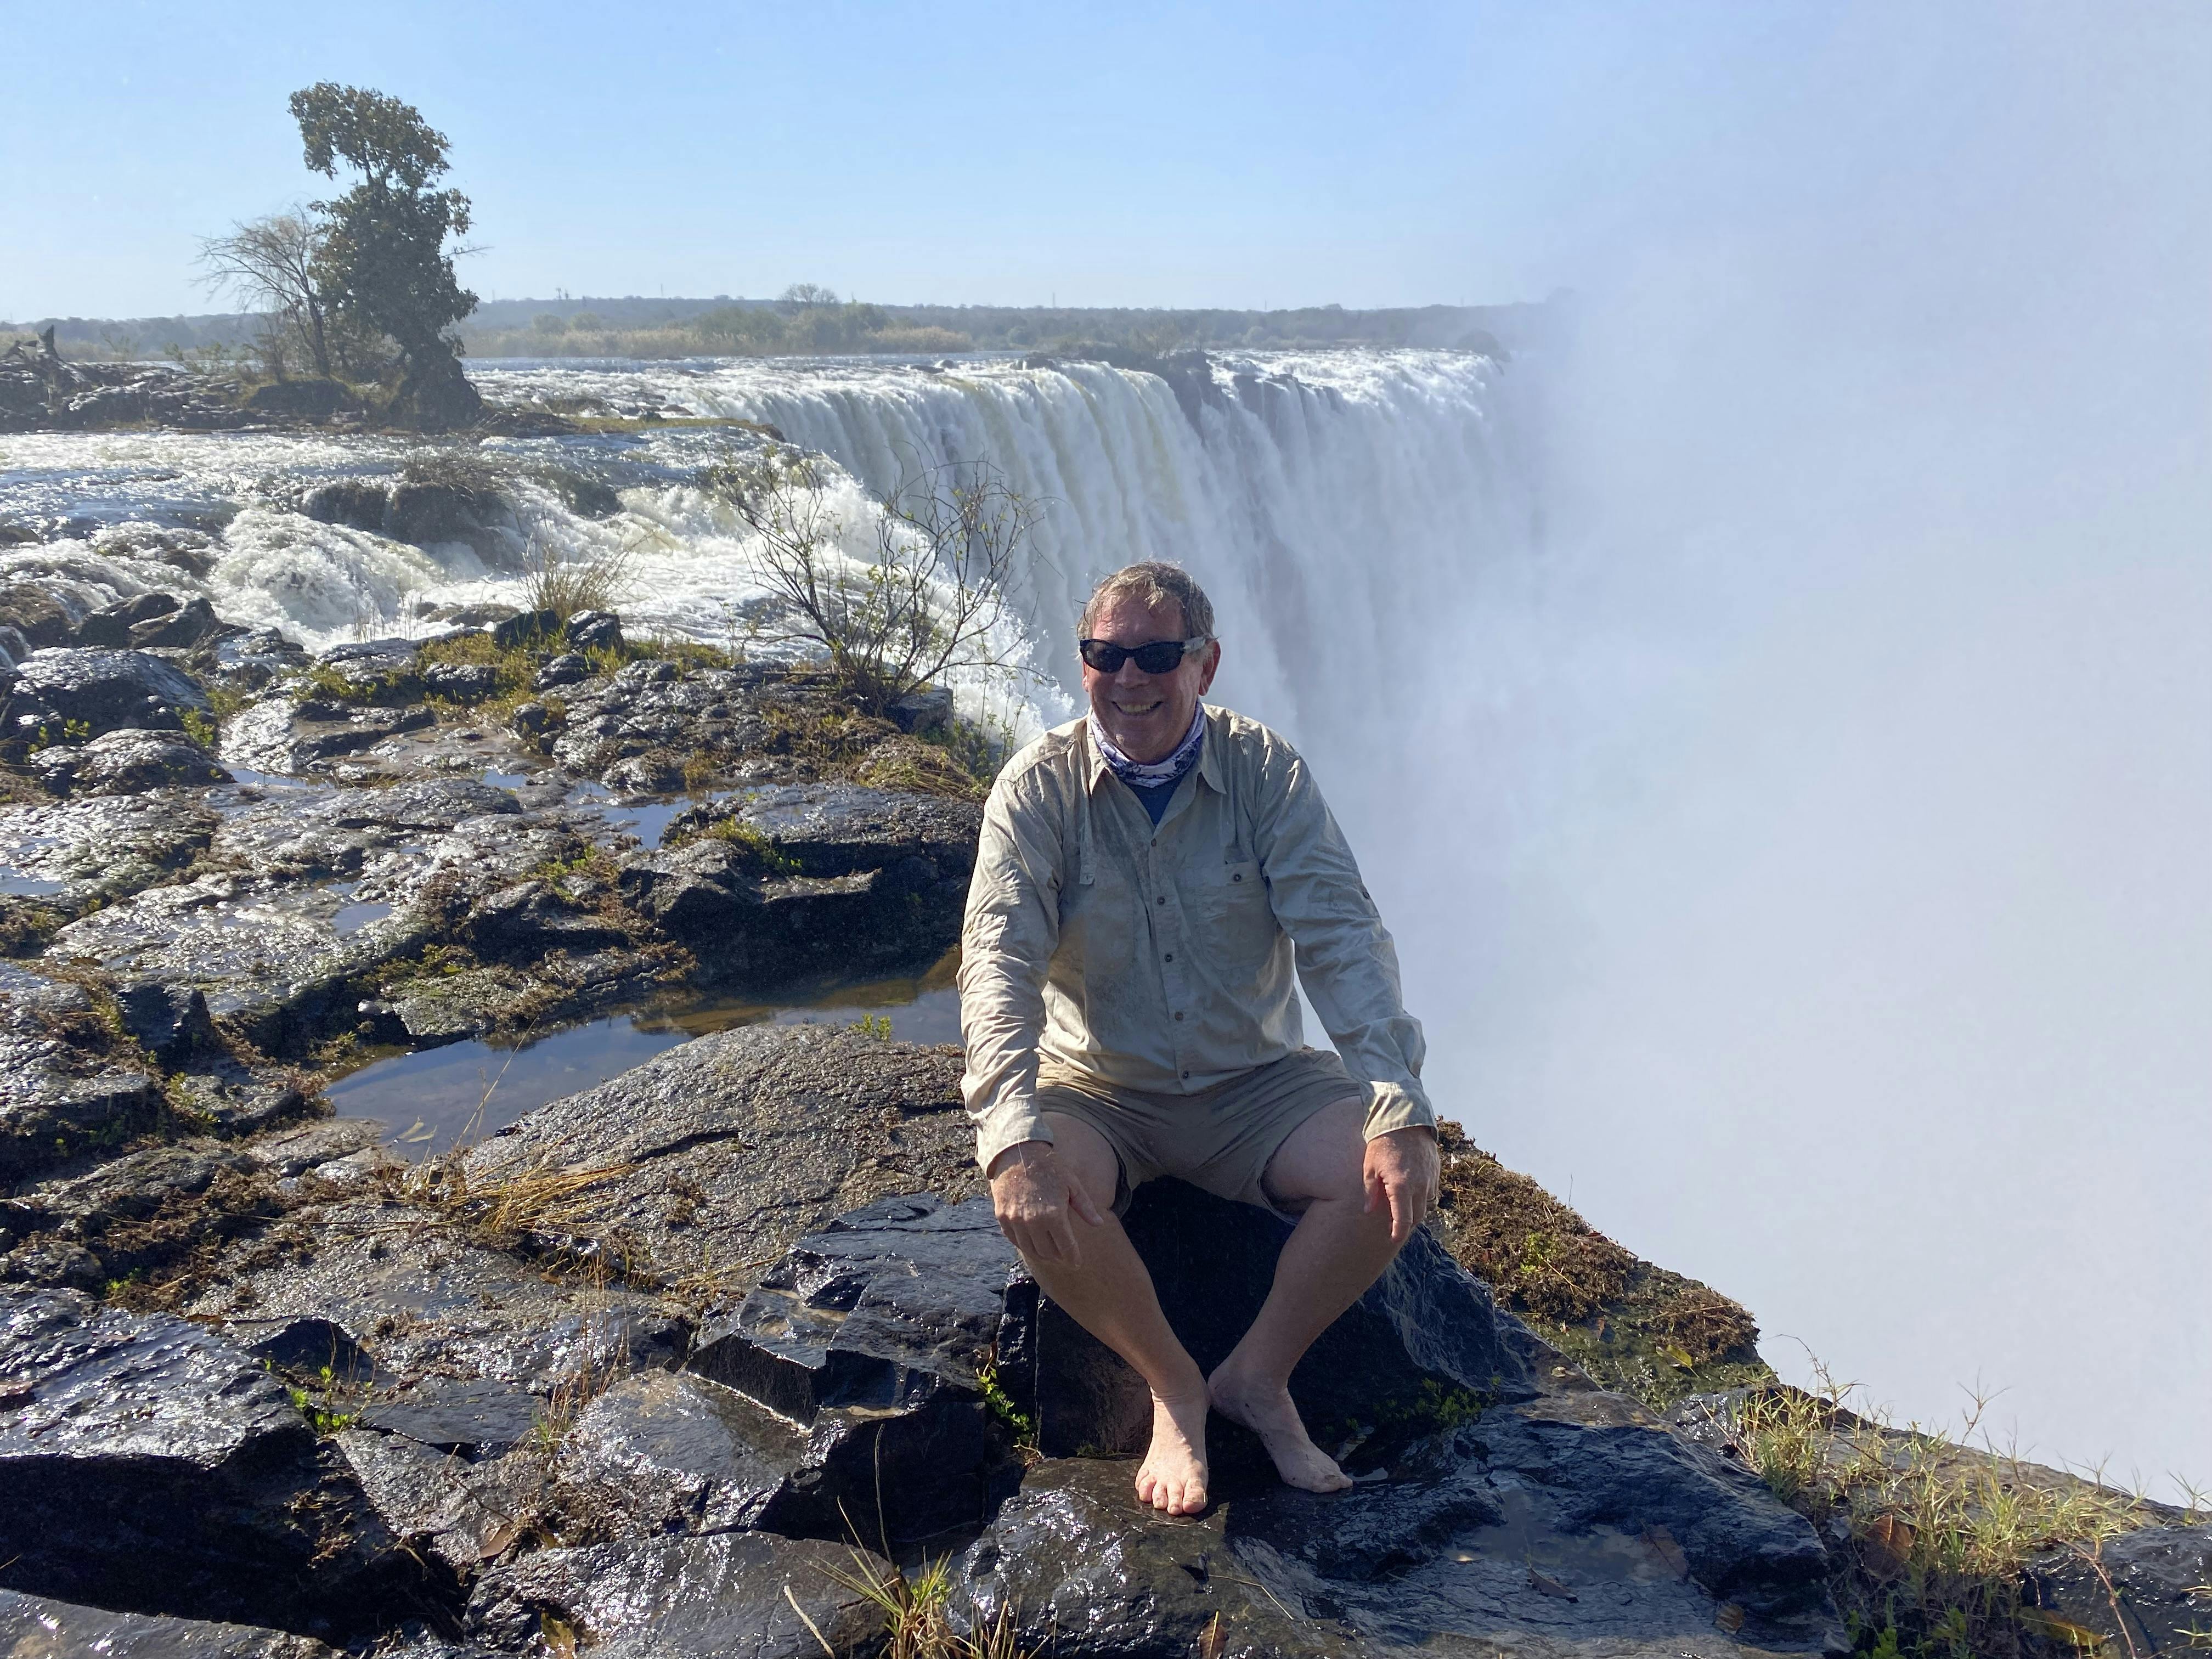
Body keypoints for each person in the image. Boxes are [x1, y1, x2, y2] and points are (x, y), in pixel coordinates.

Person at [959, 560, 1440, 1517]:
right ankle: (1176, 1385)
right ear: (1083, 662)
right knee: (1039, 1196)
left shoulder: (1266, 773)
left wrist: (1396, 1104)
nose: (1129, 679)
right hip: (1098, 1088)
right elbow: (997, 967)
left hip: (1252, 1084)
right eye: (1106, 656)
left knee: (1381, 1180)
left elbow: (1340, 937)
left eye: (1155, 655)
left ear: (1205, 664)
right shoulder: (1035, 790)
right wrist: (1013, 1132)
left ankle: (1257, 1379)